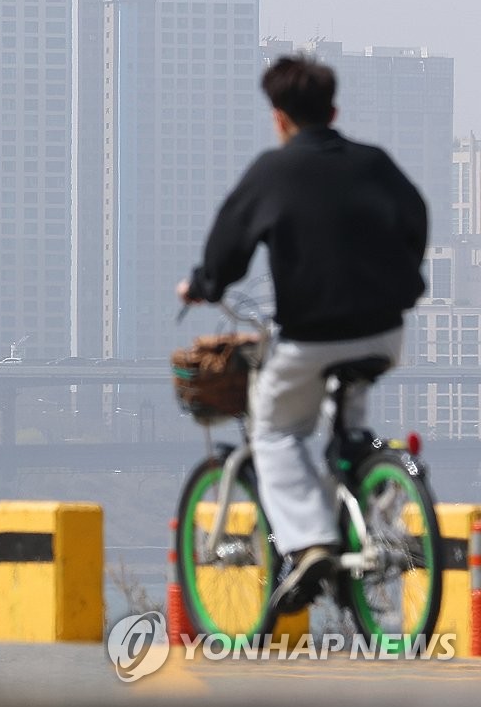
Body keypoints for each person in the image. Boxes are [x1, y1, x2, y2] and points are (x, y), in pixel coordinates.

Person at [177, 55, 428, 612]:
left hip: (311, 339)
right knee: (348, 419)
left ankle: (312, 543)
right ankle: (370, 486)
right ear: (334, 111)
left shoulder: (273, 171)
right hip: (383, 332)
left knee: (274, 432)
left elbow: (226, 251)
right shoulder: (376, 164)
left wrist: (203, 283)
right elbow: (415, 219)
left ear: (280, 118)